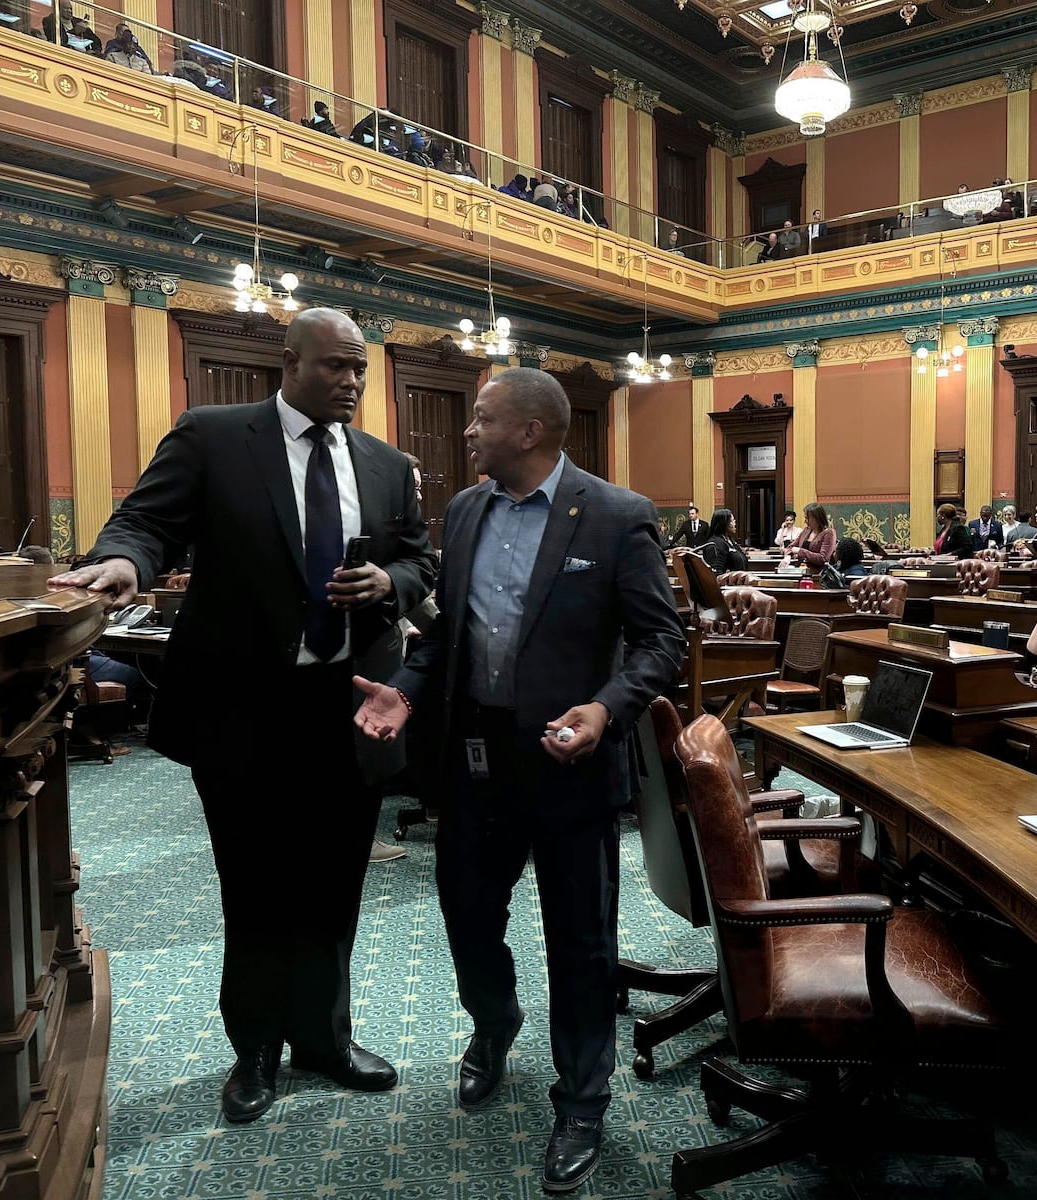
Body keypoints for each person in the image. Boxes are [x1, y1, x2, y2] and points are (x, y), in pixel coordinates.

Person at [47, 309, 437, 1124]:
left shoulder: (387, 463)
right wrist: (122, 560)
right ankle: (254, 1050)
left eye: (361, 370)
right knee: (255, 885)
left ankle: (325, 1040)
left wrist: (390, 585)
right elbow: (146, 521)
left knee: (334, 884)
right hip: (245, 707)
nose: (353, 383)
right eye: (337, 367)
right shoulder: (214, 435)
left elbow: (415, 554)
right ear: (290, 362)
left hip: (351, 706)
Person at [353, 368, 683, 1192]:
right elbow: (444, 638)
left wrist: (608, 708)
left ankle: (581, 1098)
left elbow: (659, 644)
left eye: (482, 419)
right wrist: (408, 688)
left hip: (571, 762)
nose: (468, 431)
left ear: (530, 431)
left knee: (582, 940)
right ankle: (494, 1023)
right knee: (466, 913)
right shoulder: (465, 513)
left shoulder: (616, 515)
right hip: (474, 759)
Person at [785, 502, 837, 569]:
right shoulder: (806, 531)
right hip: (801, 570)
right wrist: (788, 556)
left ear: (817, 518)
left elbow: (823, 558)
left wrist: (800, 551)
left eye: (807, 518)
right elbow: (790, 547)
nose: (805, 521)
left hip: (818, 573)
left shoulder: (829, 533)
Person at [698, 508, 748, 573]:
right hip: (726, 582)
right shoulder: (715, 544)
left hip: (738, 581)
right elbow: (716, 572)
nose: (735, 523)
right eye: (732, 521)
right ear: (724, 523)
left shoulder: (730, 541)